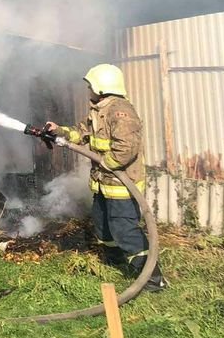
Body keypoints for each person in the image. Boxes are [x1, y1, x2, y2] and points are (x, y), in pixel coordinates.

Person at [46, 63, 167, 292]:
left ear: (101, 88)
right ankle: (115, 262)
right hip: (103, 184)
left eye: (90, 86)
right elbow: (80, 132)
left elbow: (127, 147)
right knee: (102, 227)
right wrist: (59, 131)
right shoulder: (99, 110)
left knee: (125, 230)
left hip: (121, 185)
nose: (88, 90)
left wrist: (107, 162)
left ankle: (153, 279)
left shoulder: (120, 111)